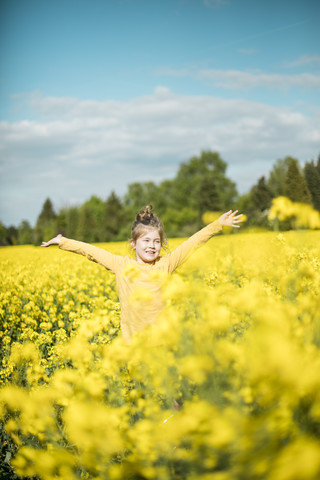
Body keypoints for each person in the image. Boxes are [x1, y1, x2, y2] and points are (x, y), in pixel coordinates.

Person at [41, 206, 243, 343]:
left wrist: (217, 225)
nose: (151, 246)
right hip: (134, 345)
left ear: (161, 244)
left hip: (163, 341)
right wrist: (63, 241)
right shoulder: (122, 265)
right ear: (133, 243)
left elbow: (192, 244)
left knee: (167, 398)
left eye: (156, 242)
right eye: (145, 241)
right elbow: (93, 252)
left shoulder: (166, 263)